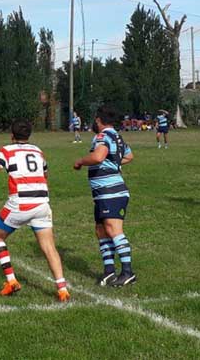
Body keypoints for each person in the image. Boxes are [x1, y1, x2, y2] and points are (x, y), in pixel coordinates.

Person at [0, 119, 70, 302]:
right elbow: (45, 175)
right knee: (49, 247)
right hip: (42, 203)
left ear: (12, 135)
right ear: (29, 135)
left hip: (20, 204)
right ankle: (62, 290)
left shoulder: (6, 151)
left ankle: (11, 281)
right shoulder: (38, 151)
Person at [74, 106, 136, 287]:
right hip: (103, 192)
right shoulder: (116, 135)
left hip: (111, 191)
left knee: (113, 229)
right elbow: (129, 156)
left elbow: (98, 156)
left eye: (95, 119)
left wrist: (81, 161)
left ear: (99, 120)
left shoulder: (102, 136)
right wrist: (114, 163)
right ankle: (109, 271)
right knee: (101, 230)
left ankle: (127, 272)